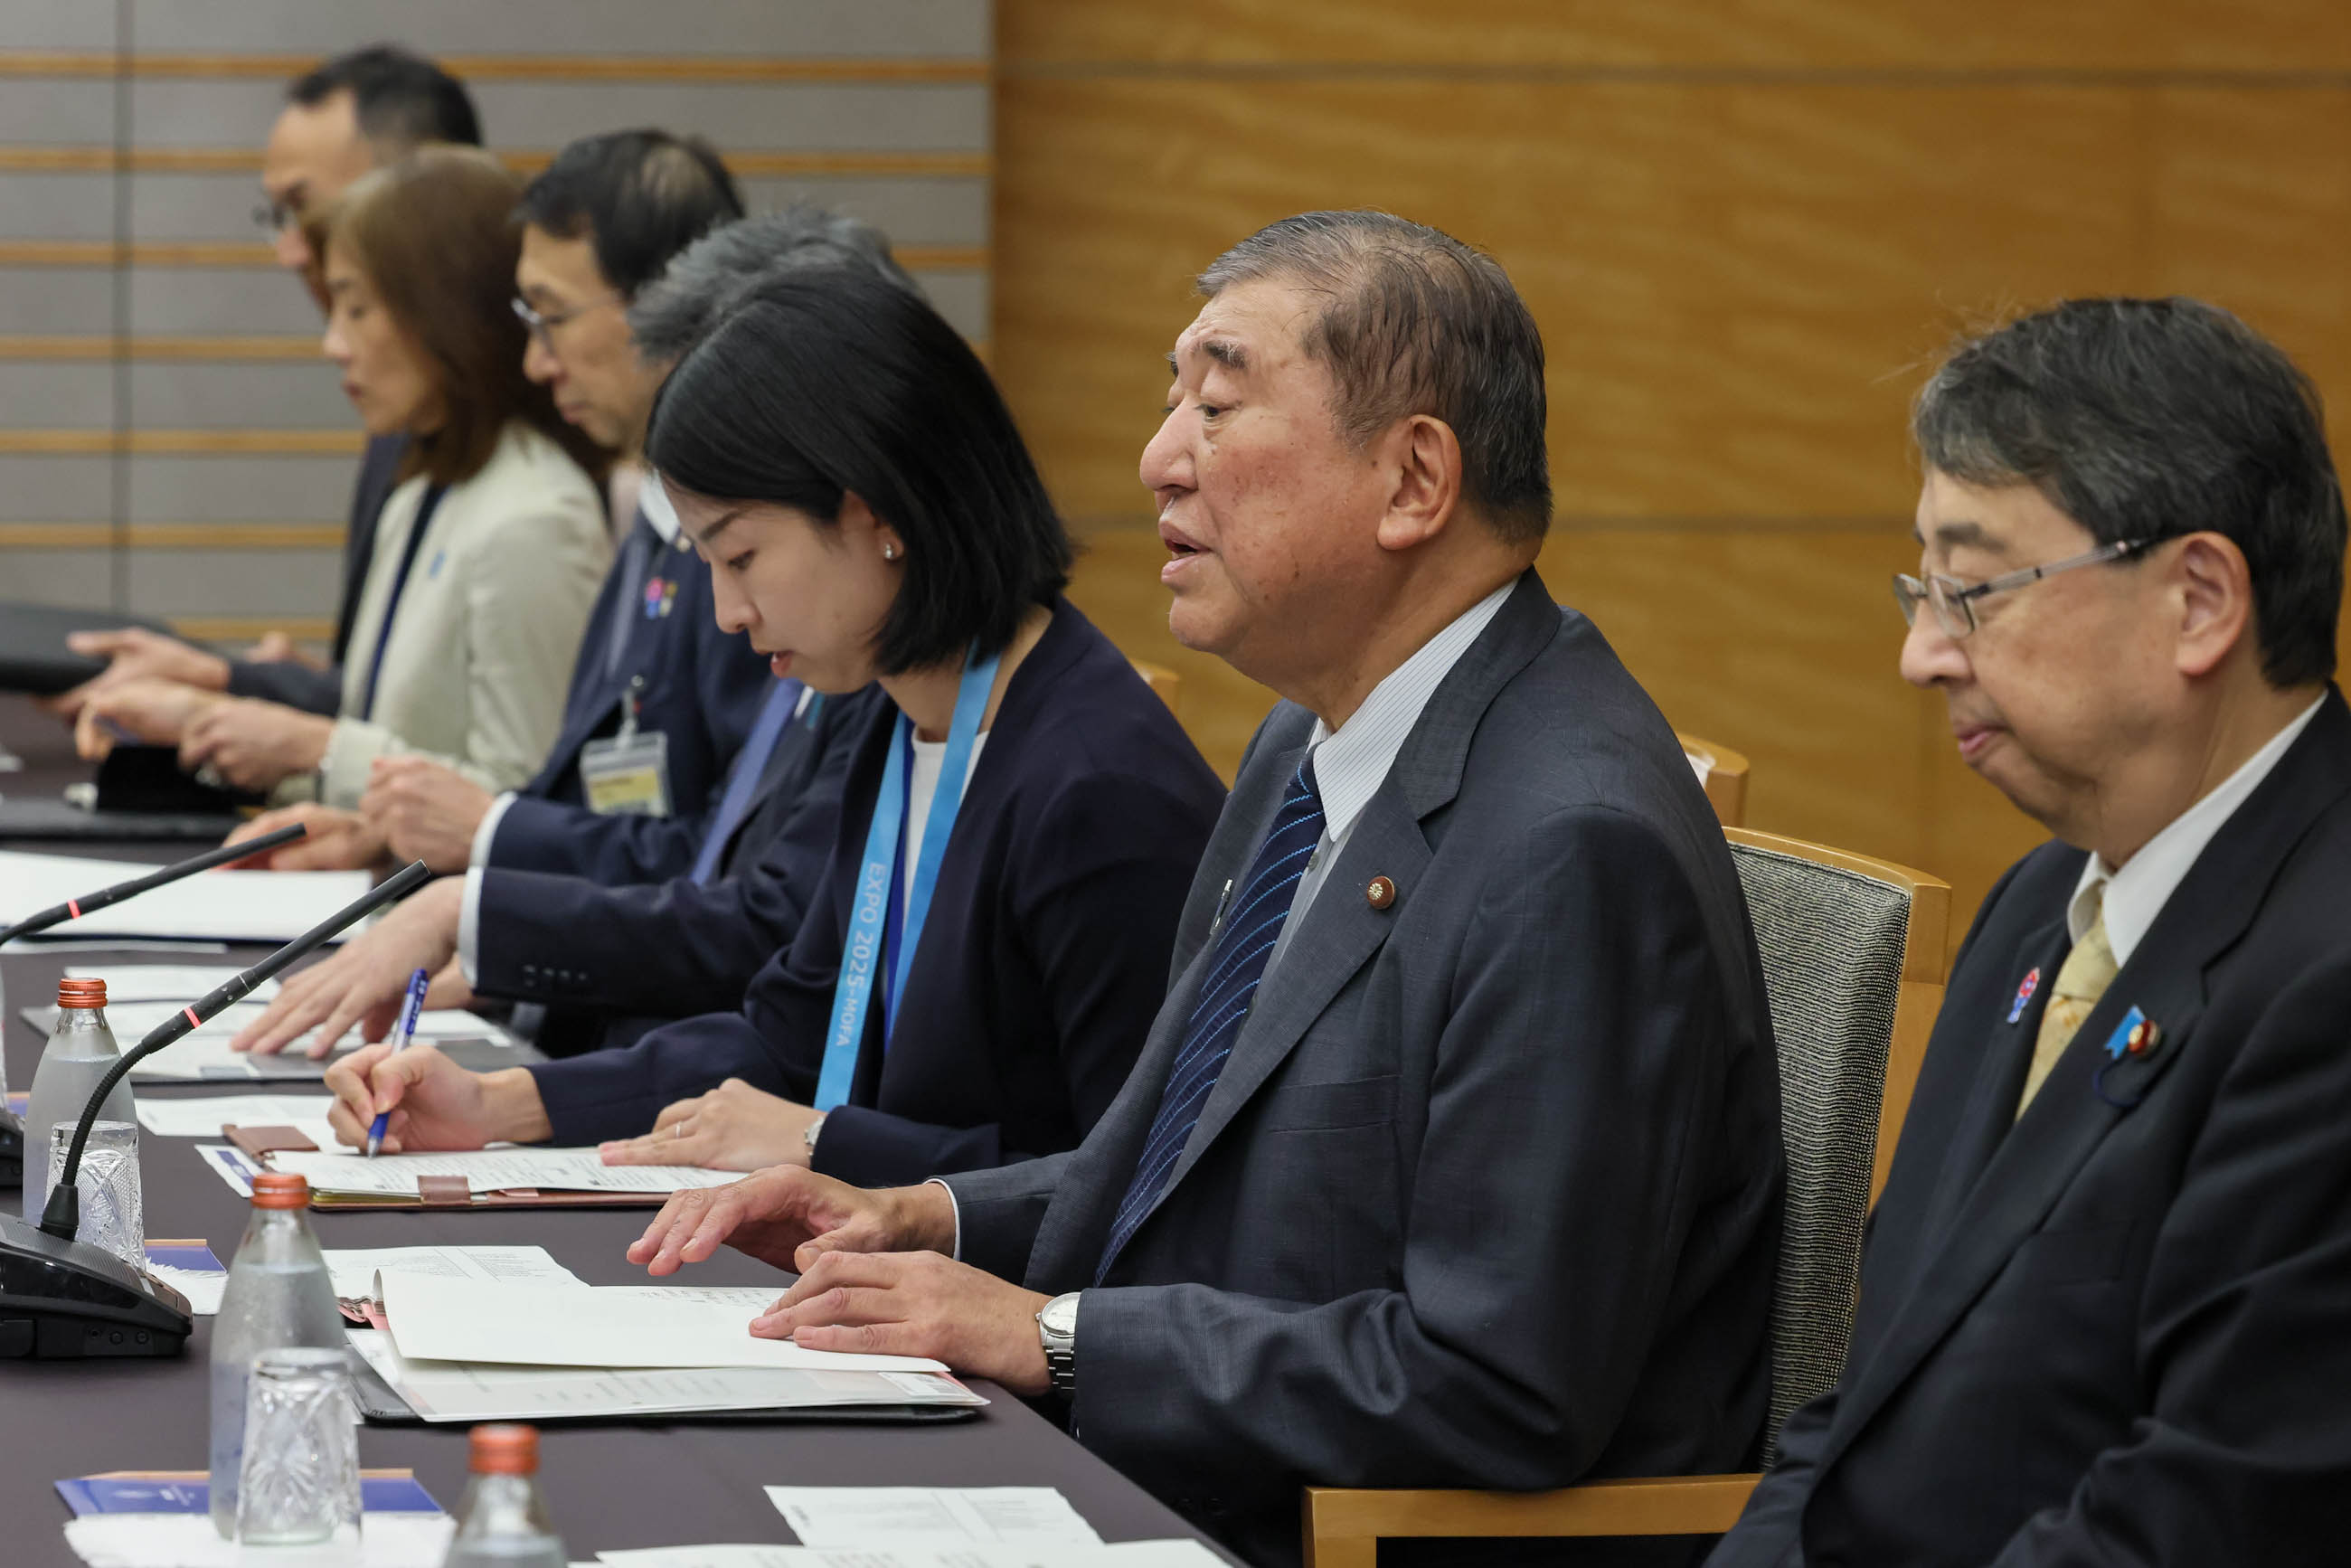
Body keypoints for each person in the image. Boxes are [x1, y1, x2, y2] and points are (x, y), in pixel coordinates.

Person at [615, 213, 1783, 1568]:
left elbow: (1493, 1383)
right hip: (1185, 1483)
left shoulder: (1572, 843)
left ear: (1414, 479)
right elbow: (1171, 1170)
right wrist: (916, 1214)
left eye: (1219, 404)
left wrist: (1047, 1334)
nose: (1160, 458)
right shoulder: (1313, 739)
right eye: (1176, 403)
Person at [317, 261, 1227, 1188]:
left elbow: (1128, 1193)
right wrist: (497, 1104)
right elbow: (791, 1039)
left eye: (741, 556)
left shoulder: (1096, 786)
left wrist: (820, 1145)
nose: (725, 613)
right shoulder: (896, 715)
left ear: (877, 515)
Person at [1703, 298, 2351, 1566]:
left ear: (2200, 598)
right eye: (1919, 589)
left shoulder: (2326, 980)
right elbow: (1856, 1414)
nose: (1919, 653)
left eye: (1971, 590)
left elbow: (2202, 1522)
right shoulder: (2035, 910)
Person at [230, 208, 920, 1060]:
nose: (728, 612)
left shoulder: (894, 668)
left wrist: (482, 901)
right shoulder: (773, 592)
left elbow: (758, 930)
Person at [225, 130, 775, 885]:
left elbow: (716, 866)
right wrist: (382, 840)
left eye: (554, 317)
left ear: (668, 306)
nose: (536, 359)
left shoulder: (576, 520)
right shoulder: (651, 514)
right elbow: (569, 796)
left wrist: (330, 759)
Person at [79, 148, 610, 809]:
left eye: (357, 310)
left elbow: (529, 809)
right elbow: (381, 736)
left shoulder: (536, 519)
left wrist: (313, 747)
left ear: (444, 315)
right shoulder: (419, 489)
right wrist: (210, 725)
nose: (334, 343)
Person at [51, 47, 480, 721]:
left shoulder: (524, 447)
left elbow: (526, 767)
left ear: (412, 201)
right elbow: (398, 710)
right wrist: (264, 685)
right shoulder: (404, 417)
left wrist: (227, 688)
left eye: (303, 209)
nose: (288, 250)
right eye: (277, 216)